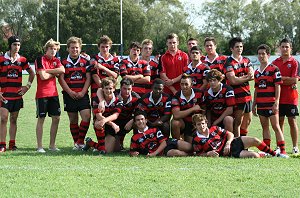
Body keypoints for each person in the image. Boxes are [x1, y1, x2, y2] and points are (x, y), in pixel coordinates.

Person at [192, 114, 289, 158]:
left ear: (206, 123)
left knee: (255, 140)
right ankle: (264, 154)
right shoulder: (196, 139)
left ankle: (275, 154)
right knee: (254, 156)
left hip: (233, 142)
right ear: (195, 126)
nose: (202, 126)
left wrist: (228, 143)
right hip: (230, 153)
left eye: (203, 123)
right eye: (199, 124)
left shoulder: (214, 129)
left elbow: (230, 134)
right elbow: (198, 154)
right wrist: (208, 154)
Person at [0, 35, 35, 152]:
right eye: (15, 44)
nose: (17, 47)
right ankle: (2, 144)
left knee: (14, 119)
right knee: (4, 118)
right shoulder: (1, 59)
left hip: (17, 95)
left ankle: (12, 144)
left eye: (19, 45)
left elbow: (32, 73)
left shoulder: (22, 60)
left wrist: (26, 87)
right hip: (4, 95)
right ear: (10, 45)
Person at [252, 44, 287, 155]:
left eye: (263, 54)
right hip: (261, 104)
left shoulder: (274, 69)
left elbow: (278, 86)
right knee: (265, 127)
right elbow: (257, 89)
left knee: (276, 126)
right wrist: (254, 104)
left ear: (268, 55)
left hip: (271, 103)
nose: (261, 56)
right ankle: (268, 151)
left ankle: (282, 151)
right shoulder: (256, 72)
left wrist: (276, 102)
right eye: (259, 54)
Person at [58, 37, 91, 150]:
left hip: (82, 94)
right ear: (68, 49)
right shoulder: (63, 62)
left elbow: (88, 78)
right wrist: (70, 92)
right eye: (72, 48)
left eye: (77, 48)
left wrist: (83, 92)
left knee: (86, 116)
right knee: (73, 120)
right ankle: (76, 143)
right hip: (69, 95)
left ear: (80, 48)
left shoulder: (85, 62)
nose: (74, 50)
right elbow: (61, 79)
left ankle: (80, 141)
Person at [35, 38, 65, 153]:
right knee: (41, 119)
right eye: (51, 48)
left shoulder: (56, 60)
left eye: (55, 49)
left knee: (56, 118)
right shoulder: (40, 59)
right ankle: (39, 147)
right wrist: (54, 72)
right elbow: (43, 77)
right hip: (42, 94)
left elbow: (62, 70)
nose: (53, 51)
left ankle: (52, 145)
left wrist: (48, 71)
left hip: (54, 94)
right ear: (46, 49)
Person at [272, 38, 299, 154]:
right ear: (279, 48)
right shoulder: (275, 63)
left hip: (291, 98)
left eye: (287, 47)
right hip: (278, 98)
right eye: (282, 47)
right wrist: (287, 80)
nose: (284, 49)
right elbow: (273, 80)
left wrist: (280, 79)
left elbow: (294, 80)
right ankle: (280, 146)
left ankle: (295, 147)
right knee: (280, 122)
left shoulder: (294, 62)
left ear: (290, 48)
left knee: (292, 122)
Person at [97, 77, 140, 150]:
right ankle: (96, 143)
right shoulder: (114, 93)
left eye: (129, 89)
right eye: (124, 88)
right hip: (114, 122)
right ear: (120, 87)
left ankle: (136, 146)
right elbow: (100, 89)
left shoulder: (136, 97)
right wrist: (101, 101)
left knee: (139, 122)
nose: (127, 91)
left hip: (128, 121)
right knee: (113, 149)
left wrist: (132, 120)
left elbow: (140, 112)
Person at [83, 77, 123, 154]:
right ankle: (101, 148)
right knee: (98, 123)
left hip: (112, 126)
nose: (108, 91)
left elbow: (115, 115)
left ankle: (90, 143)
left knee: (113, 150)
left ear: (114, 89)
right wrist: (111, 123)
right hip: (105, 124)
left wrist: (108, 122)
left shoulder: (118, 99)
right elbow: (98, 116)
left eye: (110, 88)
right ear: (103, 89)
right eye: (106, 88)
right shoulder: (96, 99)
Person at [224, 37, 254, 137]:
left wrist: (240, 78)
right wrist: (246, 77)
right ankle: (238, 144)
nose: (239, 48)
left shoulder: (246, 60)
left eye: (241, 46)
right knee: (237, 122)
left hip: (248, 95)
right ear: (231, 49)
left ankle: (243, 142)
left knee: (248, 120)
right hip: (236, 96)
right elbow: (232, 80)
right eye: (237, 47)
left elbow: (252, 76)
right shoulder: (228, 62)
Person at [171, 74, 205, 143]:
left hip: (196, 123)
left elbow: (205, 109)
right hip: (184, 123)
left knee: (191, 146)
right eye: (182, 84)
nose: (184, 87)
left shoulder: (199, 93)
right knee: (175, 123)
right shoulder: (176, 96)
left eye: (186, 84)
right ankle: (177, 144)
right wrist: (192, 109)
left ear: (191, 84)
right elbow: (176, 115)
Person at [90, 35, 120, 105]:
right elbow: (94, 75)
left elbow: (115, 75)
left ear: (110, 47)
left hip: (110, 91)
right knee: (97, 113)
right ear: (98, 47)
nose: (105, 49)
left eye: (106, 47)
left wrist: (103, 68)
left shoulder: (115, 59)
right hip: (97, 89)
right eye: (102, 47)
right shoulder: (94, 58)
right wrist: (104, 88)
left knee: (110, 112)